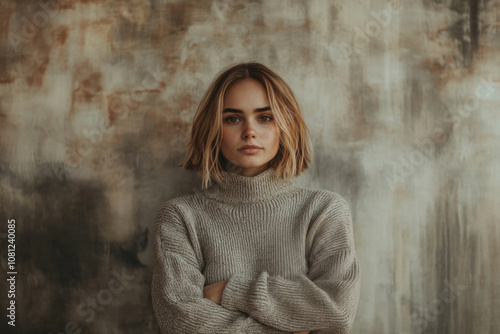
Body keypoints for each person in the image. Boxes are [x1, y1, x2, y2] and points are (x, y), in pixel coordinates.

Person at [151, 62, 361, 333]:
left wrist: (230, 290)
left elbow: (336, 310)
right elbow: (180, 321)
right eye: (233, 118)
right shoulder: (180, 216)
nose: (249, 131)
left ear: (286, 124)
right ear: (213, 128)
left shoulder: (324, 210)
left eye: (265, 117)